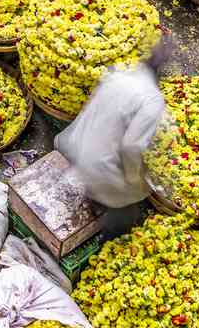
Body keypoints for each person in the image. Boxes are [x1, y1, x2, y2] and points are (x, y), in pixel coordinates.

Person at [54, 42, 167, 237]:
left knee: (95, 189)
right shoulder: (152, 99)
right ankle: (109, 240)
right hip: (102, 169)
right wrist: (135, 178)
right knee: (125, 205)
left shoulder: (119, 75)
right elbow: (132, 146)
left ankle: (90, 202)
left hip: (76, 147)